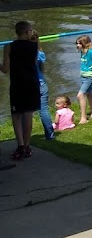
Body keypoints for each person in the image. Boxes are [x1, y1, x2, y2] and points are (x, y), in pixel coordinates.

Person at [1, 20, 40, 161]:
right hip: (32, 84)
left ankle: (20, 146)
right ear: (26, 32)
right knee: (28, 114)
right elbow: (34, 63)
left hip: (18, 84)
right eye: (30, 30)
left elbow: (5, 69)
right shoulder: (34, 46)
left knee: (16, 116)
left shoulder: (8, 47)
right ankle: (27, 146)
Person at [29, 31, 55, 140]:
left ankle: (24, 139)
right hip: (41, 83)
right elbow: (42, 69)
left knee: (26, 112)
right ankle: (50, 135)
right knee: (44, 110)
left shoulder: (24, 54)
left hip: (30, 85)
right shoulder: (40, 54)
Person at [75, 35, 92, 124]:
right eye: (76, 44)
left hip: (89, 76)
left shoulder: (91, 52)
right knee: (89, 94)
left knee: (80, 95)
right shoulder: (82, 52)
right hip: (83, 76)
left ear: (84, 44)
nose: (77, 45)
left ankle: (83, 118)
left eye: (79, 44)